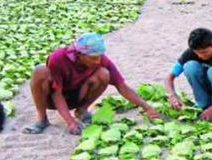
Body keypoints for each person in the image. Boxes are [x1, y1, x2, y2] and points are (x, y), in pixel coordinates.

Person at [24, 33, 160, 135]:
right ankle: (42, 118)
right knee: (39, 71)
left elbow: (122, 86)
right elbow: (56, 93)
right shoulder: (58, 58)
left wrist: (147, 107)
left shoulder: (101, 60)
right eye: (93, 58)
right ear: (79, 55)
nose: (98, 61)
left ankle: (82, 110)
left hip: (78, 96)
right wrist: (70, 122)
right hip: (51, 98)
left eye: (99, 56)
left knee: (104, 73)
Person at [165, 28, 212, 121]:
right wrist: (173, 96)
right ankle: (203, 105)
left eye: (204, 52)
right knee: (190, 66)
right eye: (197, 53)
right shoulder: (190, 52)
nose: (200, 56)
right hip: (205, 83)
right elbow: (169, 77)